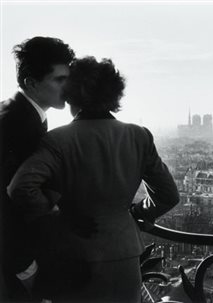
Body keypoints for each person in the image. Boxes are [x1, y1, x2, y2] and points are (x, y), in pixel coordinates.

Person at [8, 56, 180, 302]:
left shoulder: (59, 140)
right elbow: (168, 196)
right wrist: (136, 212)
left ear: (71, 95)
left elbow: (21, 188)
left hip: (74, 257)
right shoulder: (138, 136)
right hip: (125, 254)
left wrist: (56, 215)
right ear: (114, 95)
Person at [0, 36, 75, 301]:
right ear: (31, 83)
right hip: (15, 268)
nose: (68, 87)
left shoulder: (17, 114)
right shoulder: (21, 126)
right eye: (58, 79)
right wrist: (26, 270)